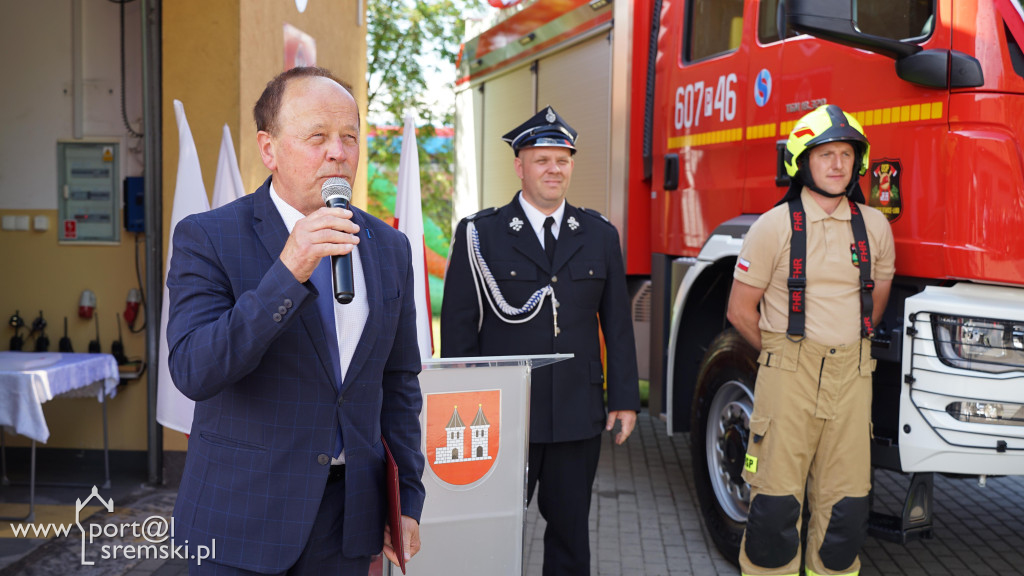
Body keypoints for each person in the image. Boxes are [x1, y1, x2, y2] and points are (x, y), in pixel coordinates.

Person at [166, 66, 425, 575]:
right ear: (269, 149)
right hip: (239, 521)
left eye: (350, 136)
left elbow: (398, 383)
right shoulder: (209, 237)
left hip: (349, 524)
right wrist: (289, 271)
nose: (338, 152)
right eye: (317, 137)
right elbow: (195, 370)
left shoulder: (389, 247)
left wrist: (407, 501)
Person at [440, 106, 641, 576]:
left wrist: (625, 399)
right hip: (502, 415)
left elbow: (616, 324)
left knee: (570, 532)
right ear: (520, 166)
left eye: (563, 159)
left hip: (576, 412)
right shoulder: (480, 234)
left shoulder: (598, 234)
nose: (554, 169)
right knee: (488, 528)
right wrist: (465, 405)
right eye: (542, 159)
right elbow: (458, 329)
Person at [727, 104, 895, 576]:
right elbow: (740, 310)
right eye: (826, 155)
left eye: (846, 154)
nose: (838, 164)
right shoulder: (772, 227)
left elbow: (875, 303)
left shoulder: (875, 228)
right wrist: (785, 355)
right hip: (789, 375)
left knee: (846, 513)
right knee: (774, 511)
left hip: (853, 377)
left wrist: (841, 349)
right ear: (803, 163)